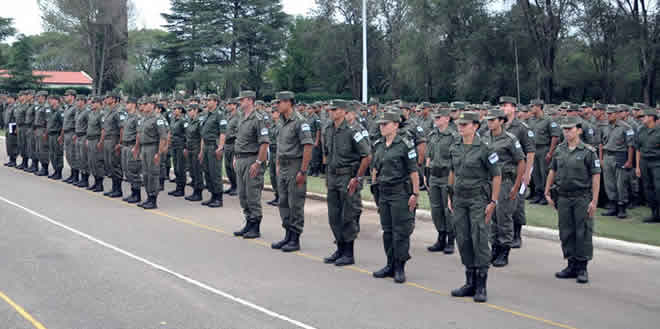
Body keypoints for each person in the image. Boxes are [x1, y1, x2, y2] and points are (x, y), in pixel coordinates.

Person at [448, 111, 501, 303]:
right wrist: (450, 194)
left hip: (478, 199)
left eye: (465, 124)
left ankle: (481, 286)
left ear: (475, 126)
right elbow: (453, 171)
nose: (461, 127)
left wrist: (493, 201)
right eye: (460, 124)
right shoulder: (454, 147)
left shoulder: (486, 149)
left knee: (478, 239)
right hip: (460, 200)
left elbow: (496, 175)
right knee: (463, 239)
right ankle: (469, 282)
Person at [545, 116, 600, 284]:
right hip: (563, 197)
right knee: (566, 231)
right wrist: (547, 190)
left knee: (582, 231)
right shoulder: (560, 150)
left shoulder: (588, 151)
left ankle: (582, 267)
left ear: (579, 130)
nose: (567, 132)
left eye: (570, 129)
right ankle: (571, 265)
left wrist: (594, 201)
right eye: (565, 129)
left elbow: (596, 176)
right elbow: (552, 170)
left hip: (581, 197)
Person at [371, 110, 420, 284]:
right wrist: (375, 188)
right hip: (384, 192)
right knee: (388, 231)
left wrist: (415, 194)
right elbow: (375, 168)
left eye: (385, 124)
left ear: (396, 125)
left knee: (401, 232)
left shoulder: (405, 144)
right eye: (380, 124)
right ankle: (390, 264)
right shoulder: (379, 144)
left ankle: (400, 267)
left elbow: (414, 171)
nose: (382, 127)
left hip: (400, 193)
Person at [322, 100, 371, 266]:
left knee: (348, 216)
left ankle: (349, 253)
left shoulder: (353, 130)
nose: (331, 112)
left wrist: (357, 178)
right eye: (330, 109)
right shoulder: (328, 129)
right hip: (333, 177)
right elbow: (327, 154)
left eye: (334, 109)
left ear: (343, 111)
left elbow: (367, 156)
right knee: (334, 216)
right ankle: (340, 249)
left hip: (347, 177)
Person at [270, 91, 313, 252]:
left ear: (289, 103)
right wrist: (278, 164)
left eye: (280, 102)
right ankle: (287, 235)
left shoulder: (300, 122)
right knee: (283, 201)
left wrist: (303, 170)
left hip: (295, 164)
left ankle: (295, 238)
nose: (277, 105)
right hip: (284, 165)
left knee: (295, 202)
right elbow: (280, 145)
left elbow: (308, 146)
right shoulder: (281, 122)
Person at [483, 109, 525, 267]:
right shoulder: (485, 137)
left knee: (504, 216)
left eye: (493, 120)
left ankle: (504, 251)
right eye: (488, 120)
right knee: (491, 216)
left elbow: (521, 161)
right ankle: (494, 248)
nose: (489, 122)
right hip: (489, 181)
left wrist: (516, 185)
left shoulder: (510, 139)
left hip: (505, 181)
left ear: (501, 121)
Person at [231, 91, 270, 239]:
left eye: (242, 100)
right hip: (241, 158)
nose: (240, 102)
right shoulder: (241, 117)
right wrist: (235, 156)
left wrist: (259, 162)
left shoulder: (258, 119)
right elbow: (239, 139)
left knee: (252, 194)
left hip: (252, 159)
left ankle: (255, 226)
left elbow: (265, 142)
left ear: (249, 100)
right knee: (242, 194)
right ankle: (248, 222)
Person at [425, 108, 459, 254]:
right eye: (435, 117)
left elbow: (456, 159)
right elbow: (429, 156)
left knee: (448, 209)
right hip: (434, 176)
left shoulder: (453, 136)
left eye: (439, 117)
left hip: (447, 176)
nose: (436, 120)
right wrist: (426, 174)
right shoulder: (432, 135)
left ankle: (450, 240)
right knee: (436, 209)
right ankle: (441, 237)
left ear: (447, 118)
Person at [133, 98, 169, 209]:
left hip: (153, 147)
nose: (144, 106)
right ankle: (148, 197)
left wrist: (159, 153)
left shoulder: (158, 119)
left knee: (153, 174)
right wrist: (137, 148)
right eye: (143, 104)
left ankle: (153, 199)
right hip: (144, 147)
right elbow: (139, 135)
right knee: (146, 174)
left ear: (152, 105)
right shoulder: (144, 118)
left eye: (146, 104)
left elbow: (163, 137)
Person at [601, 105, 635, 218]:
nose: (608, 116)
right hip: (607, 155)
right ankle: (613, 205)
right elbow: (601, 143)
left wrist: (629, 161)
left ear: (617, 114)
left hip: (620, 156)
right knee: (609, 183)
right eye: (607, 114)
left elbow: (631, 146)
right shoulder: (605, 127)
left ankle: (622, 207)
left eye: (610, 114)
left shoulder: (626, 127)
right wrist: (601, 159)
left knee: (621, 184)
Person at [199, 94, 227, 208]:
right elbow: (203, 135)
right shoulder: (206, 115)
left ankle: (218, 198)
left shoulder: (219, 115)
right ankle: (212, 195)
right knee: (207, 172)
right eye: (207, 100)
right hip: (206, 146)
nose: (207, 102)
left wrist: (220, 147)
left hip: (214, 147)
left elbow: (223, 132)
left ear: (216, 102)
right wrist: (201, 151)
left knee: (215, 172)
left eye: (210, 100)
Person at [636, 108, 660, 223]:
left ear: (651, 117)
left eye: (644, 116)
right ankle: (654, 213)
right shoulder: (641, 130)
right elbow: (638, 149)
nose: (642, 118)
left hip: (657, 162)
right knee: (648, 188)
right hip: (644, 162)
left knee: (658, 187)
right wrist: (637, 166)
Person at [100, 93, 124, 198]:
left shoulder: (118, 112)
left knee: (115, 164)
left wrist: (120, 143)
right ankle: (114, 188)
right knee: (109, 164)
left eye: (108, 98)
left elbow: (122, 128)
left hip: (114, 140)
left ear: (113, 99)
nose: (106, 99)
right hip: (107, 140)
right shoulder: (108, 111)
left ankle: (118, 189)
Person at [120, 98, 142, 203]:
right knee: (127, 170)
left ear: (133, 104)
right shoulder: (127, 116)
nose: (126, 104)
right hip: (125, 145)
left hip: (132, 146)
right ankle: (133, 193)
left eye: (128, 103)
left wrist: (136, 147)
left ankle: (137, 194)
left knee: (133, 170)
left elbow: (138, 134)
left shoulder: (137, 117)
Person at [184, 104, 204, 202]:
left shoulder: (199, 122)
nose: (189, 112)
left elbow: (202, 137)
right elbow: (187, 136)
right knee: (192, 170)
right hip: (190, 148)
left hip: (196, 149)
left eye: (191, 110)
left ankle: (198, 192)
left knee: (197, 171)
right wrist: (186, 148)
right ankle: (194, 191)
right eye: (188, 110)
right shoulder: (189, 121)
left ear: (196, 110)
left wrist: (201, 151)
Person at [168, 103, 188, 197]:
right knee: (176, 167)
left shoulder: (183, 121)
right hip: (174, 145)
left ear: (180, 110)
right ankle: (177, 187)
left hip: (180, 145)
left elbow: (187, 135)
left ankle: (181, 189)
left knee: (180, 168)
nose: (174, 110)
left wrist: (185, 147)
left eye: (176, 108)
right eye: (174, 108)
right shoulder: (173, 120)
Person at [61, 89, 79, 184]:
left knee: (73, 155)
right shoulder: (68, 107)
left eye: (67, 95)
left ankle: (75, 176)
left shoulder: (75, 108)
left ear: (72, 96)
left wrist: (75, 134)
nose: (65, 97)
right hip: (67, 133)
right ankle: (72, 175)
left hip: (72, 133)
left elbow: (77, 122)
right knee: (68, 155)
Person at [74, 95, 91, 188]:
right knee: (79, 158)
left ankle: (85, 179)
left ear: (83, 101)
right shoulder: (78, 111)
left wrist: (87, 138)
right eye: (76, 100)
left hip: (84, 136)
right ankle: (82, 178)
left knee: (84, 158)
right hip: (78, 136)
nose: (77, 102)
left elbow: (89, 125)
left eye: (78, 100)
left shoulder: (86, 112)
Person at [223, 99, 240, 196]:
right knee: (227, 167)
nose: (227, 106)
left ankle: (237, 186)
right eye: (227, 104)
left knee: (234, 167)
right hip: (227, 144)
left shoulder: (239, 117)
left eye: (230, 104)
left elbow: (239, 132)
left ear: (235, 105)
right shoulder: (228, 116)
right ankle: (232, 185)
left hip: (234, 143)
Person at [46, 95, 64, 180]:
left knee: (58, 154)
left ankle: (59, 172)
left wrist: (61, 136)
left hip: (57, 135)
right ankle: (55, 171)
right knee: (52, 154)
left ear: (56, 101)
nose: (50, 101)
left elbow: (63, 124)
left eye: (52, 100)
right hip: (51, 135)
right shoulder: (51, 111)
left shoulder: (59, 111)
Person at [267, 104, 281, 206]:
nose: (271, 114)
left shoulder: (281, 125)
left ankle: (281, 197)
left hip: (278, 152)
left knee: (278, 176)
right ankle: (276, 195)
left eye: (273, 112)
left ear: (278, 113)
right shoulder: (272, 124)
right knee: (272, 175)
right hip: (271, 151)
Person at [3, 94, 18, 167]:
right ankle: (10, 160)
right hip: (7, 127)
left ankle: (14, 160)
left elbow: (16, 119)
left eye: (8, 98)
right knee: (8, 144)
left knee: (12, 143)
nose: (7, 99)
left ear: (12, 99)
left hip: (12, 126)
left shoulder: (14, 107)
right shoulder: (8, 107)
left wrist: (15, 129)